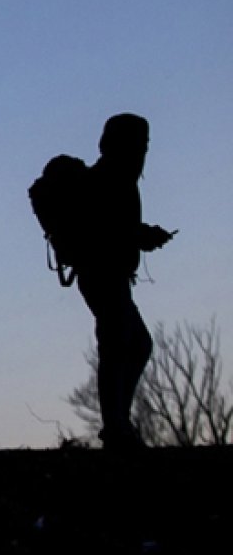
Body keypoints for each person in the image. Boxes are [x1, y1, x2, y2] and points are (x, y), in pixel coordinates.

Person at [77, 113, 174, 449]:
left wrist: (141, 235)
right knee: (119, 344)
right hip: (102, 274)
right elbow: (109, 228)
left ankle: (118, 422)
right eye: (141, 142)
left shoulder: (116, 175)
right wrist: (143, 236)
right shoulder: (111, 176)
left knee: (132, 344)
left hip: (108, 274)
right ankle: (116, 426)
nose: (144, 149)